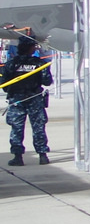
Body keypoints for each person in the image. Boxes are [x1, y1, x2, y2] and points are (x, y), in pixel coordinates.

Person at [2, 27, 53, 165]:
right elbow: (47, 81)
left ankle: (18, 157)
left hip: (17, 100)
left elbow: (4, 84)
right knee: (38, 127)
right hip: (34, 99)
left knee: (16, 128)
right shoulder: (39, 64)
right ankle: (42, 155)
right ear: (31, 48)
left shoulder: (11, 64)